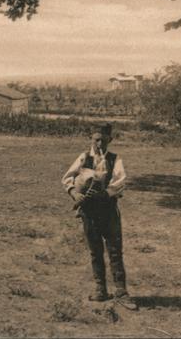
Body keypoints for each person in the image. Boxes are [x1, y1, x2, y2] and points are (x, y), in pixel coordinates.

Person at [62, 123, 138, 310]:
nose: (99, 144)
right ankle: (100, 290)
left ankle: (121, 292)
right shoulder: (83, 158)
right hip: (88, 212)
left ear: (109, 140)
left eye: (103, 140)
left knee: (114, 251)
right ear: (91, 139)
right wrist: (74, 193)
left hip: (108, 211)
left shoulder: (115, 159)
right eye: (96, 140)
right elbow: (67, 177)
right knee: (95, 251)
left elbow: (119, 182)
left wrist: (104, 194)